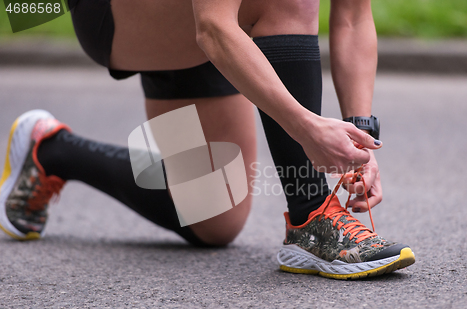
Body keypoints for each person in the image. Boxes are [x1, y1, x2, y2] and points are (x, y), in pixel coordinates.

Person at [0, 0, 415, 279]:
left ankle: (51, 150)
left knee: (214, 218)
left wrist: (361, 142)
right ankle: (310, 217)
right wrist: (307, 129)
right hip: (121, 14)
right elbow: (214, 27)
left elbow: (354, 17)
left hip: (212, 21)